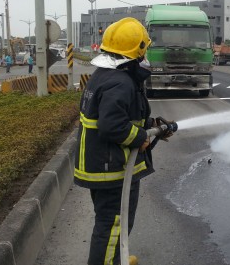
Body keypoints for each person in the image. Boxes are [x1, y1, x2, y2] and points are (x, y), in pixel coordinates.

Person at [74, 17, 174, 265]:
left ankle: (116, 256)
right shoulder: (120, 82)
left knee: (115, 225)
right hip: (112, 170)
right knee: (111, 226)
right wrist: (140, 137)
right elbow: (112, 125)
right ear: (138, 50)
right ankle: (109, 258)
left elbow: (120, 116)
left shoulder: (105, 75)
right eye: (145, 48)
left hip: (104, 165)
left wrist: (151, 126)